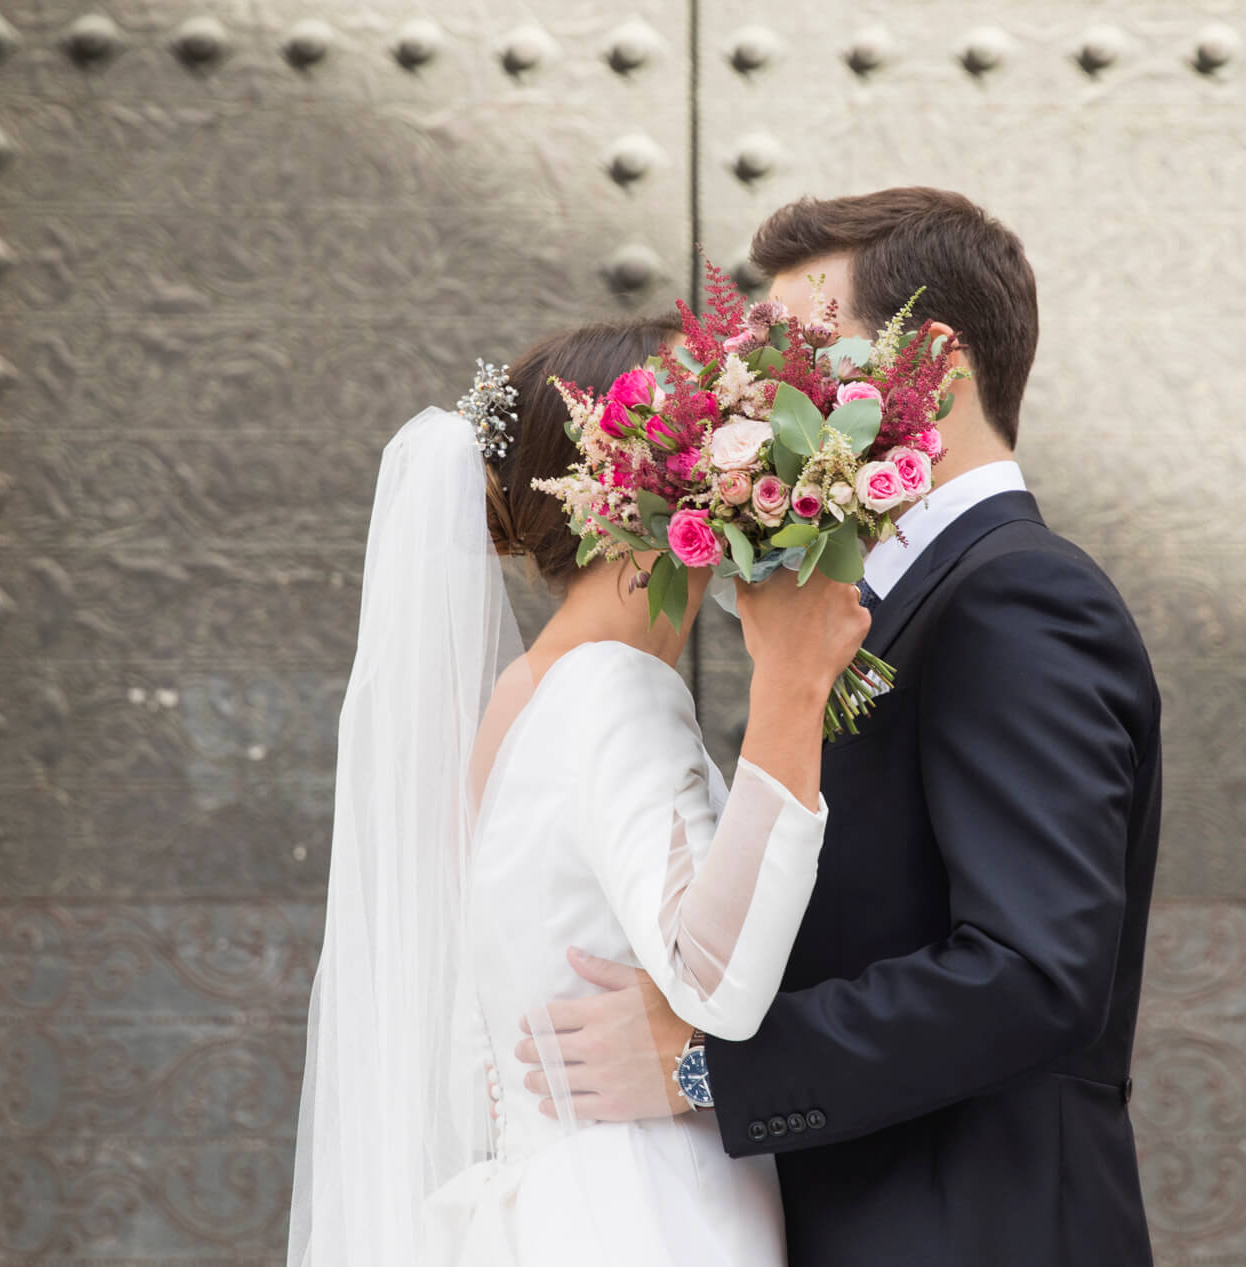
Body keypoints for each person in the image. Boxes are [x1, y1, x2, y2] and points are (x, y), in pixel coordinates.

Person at [516, 189, 1164, 1266]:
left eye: (805, 352)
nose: (766, 394)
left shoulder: (1016, 595)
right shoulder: (863, 603)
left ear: (933, 366)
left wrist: (701, 1069)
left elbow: (1032, 967)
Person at [285, 314, 871, 1267]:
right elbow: (714, 980)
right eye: (729, 446)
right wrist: (791, 692)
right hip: (643, 1216)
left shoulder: (529, 696)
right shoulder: (612, 687)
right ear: (651, 487)